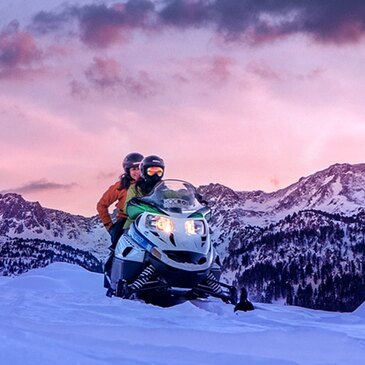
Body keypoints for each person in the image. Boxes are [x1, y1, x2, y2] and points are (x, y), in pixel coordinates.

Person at [97, 152, 144, 248]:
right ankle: (113, 261)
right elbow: (101, 205)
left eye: (139, 168)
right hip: (126, 220)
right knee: (119, 245)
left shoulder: (149, 183)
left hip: (148, 219)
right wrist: (109, 226)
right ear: (127, 171)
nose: (137, 172)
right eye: (134, 169)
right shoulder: (121, 186)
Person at [123, 155, 165, 230]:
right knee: (122, 234)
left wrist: (184, 193)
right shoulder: (135, 187)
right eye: (151, 172)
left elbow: (171, 193)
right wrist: (135, 206)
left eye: (159, 172)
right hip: (137, 222)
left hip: (160, 222)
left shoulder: (163, 187)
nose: (155, 175)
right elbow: (127, 207)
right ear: (144, 171)